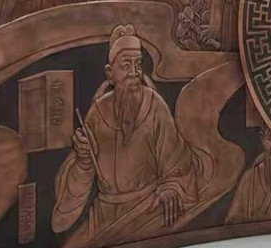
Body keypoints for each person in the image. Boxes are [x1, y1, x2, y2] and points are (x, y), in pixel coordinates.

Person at [52, 25, 202, 243]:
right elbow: (77, 187)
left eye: (138, 65)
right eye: (126, 66)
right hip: (103, 218)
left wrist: (171, 188)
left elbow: (177, 164)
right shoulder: (97, 113)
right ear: (109, 74)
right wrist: (84, 161)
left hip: (145, 214)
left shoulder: (155, 107)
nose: (134, 73)